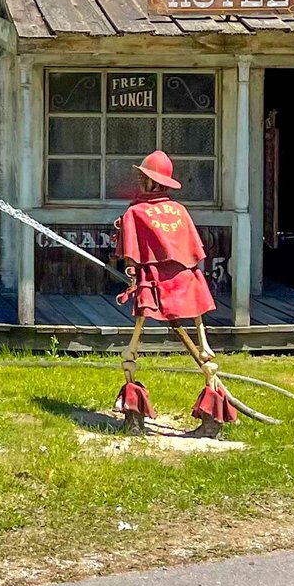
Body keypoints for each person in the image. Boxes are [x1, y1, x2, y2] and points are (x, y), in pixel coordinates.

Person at [113, 151, 238, 433]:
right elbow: (194, 251)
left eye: (142, 177)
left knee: (133, 348)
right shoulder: (179, 211)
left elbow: (131, 256)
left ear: (149, 181)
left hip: (154, 283)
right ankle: (212, 421)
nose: (138, 181)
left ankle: (134, 418)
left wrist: (132, 272)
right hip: (188, 281)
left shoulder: (135, 212)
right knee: (204, 350)